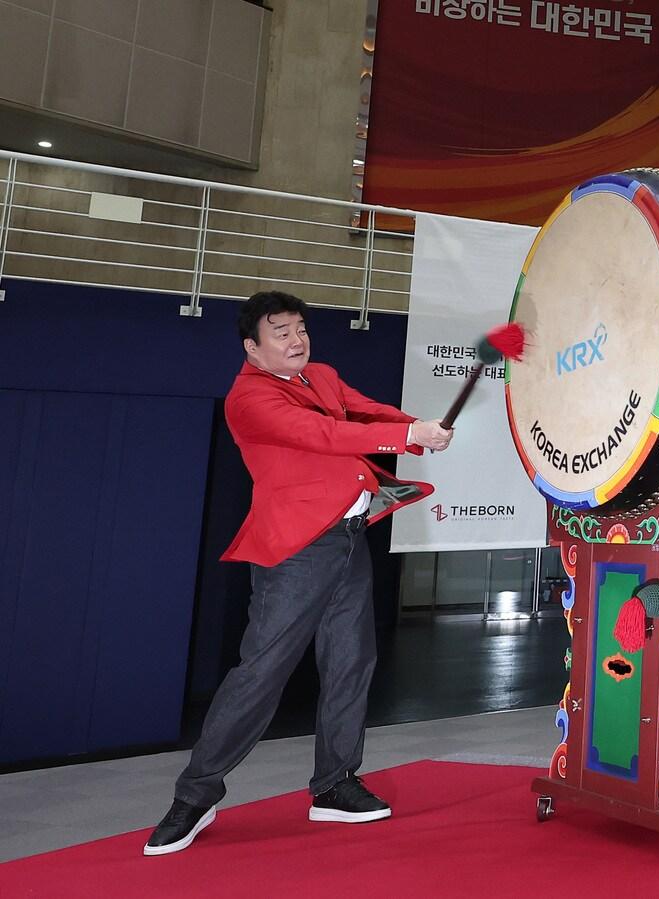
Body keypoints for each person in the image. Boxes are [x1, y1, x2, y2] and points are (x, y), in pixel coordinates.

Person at [144, 291, 454, 856]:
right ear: (252, 348)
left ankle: (334, 785)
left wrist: (416, 425)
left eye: (301, 328)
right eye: (280, 332)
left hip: (348, 540)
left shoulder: (322, 375)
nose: (296, 340)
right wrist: (410, 437)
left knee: (351, 663)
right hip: (295, 553)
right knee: (260, 673)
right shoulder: (248, 399)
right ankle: (194, 796)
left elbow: (363, 411)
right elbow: (324, 436)